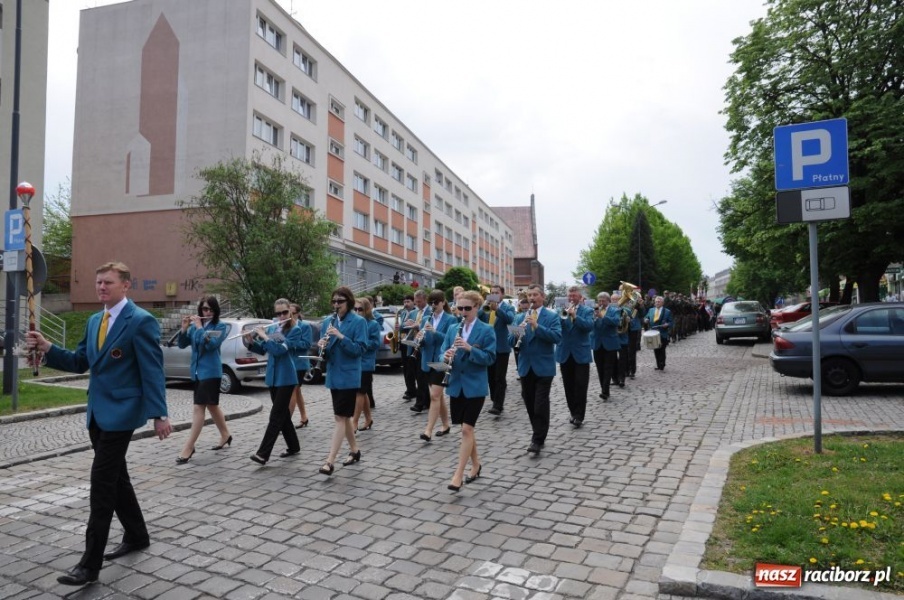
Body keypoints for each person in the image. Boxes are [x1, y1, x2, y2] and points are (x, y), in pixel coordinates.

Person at [25, 261, 172, 587]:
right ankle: (137, 535)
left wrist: (159, 414)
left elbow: (152, 370)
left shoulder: (141, 321)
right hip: (96, 414)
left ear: (125, 285)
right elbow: (80, 362)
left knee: (101, 486)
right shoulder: (94, 321)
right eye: (98, 283)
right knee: (117, 478)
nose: (101, 287)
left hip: (122, 414)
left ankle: (89, 566)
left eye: (108, 282)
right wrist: (48, 348)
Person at [440, 291, 496, 491]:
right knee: (466, 429)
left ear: (477, 308)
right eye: (459, 308)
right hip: (456, 384)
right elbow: (442, 351)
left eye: (467, 308)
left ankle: (458, 475)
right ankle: (476, 464)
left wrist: (470, 348)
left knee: (466, 429)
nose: (462, 312)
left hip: (475, 386)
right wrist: (445, 356)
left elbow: (490, 358)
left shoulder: (486, 330)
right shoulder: (453, 328)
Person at [175, 296, 231, 463]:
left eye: (211, 310)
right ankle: (225, 434)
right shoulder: (194, 327)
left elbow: (211, 345)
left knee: (199, 407)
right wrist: (184, 329)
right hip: (198, 372)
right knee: (212, 406)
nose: (207, 312)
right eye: (204, 309)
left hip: (211, 372)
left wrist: (199, 328)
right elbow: (182, 344)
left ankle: (189, 446)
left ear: (215, 312)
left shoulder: (220, 326)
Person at [318, 286, 367, 476]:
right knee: (343, 416)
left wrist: (340, 336)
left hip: (349, 376)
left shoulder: (358, 322)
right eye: (334, 301)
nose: (336, 305)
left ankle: (330, 461)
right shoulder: (327, 323)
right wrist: (323, 346)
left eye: (340, 301)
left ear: (349, 302)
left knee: (339, 417)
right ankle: (355, 451)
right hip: (334, 375)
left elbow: (359, 350)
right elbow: (327, 354)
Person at [247, 299, 302, 465]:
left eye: (284, 313)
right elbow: (264, 349)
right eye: (278, 313)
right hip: (273, 376)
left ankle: (263, 454)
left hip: (286, 377)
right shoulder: (272, 328)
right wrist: (252, 342)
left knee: (276, 415)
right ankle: (294, 446)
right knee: (283, 414)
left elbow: (279, 351)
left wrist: (265, 336)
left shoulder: (295, 330)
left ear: (290, 312)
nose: (281, 316)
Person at [514, 284, 562, 455]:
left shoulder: (552, 316)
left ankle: (537, 439)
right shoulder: (520, 316)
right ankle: (538, 430)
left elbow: (556, 337)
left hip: (543, 366)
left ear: (542, 296)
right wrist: (516, 333)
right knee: (529, 402)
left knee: (540, 404)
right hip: (526, 365)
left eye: (535, 295)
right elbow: (508, 341)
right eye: (529, 295)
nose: (532, 298)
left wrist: (536, 326)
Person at [418, 289, 457, 441]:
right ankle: (446, 424)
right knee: (438, 396)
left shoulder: (450, 319)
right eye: (431, 302)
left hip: (441, 360)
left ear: (443, 302)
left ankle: (428, 430)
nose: (433, 305)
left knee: (434, 395)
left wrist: (434, 331)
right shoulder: (426, 318)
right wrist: (419, 340)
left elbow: (449, 340)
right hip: (427, 360)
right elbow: (424, 341)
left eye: (436, 302)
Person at [555, 285, 594, 428]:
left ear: (580, 297)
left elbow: (589, 327)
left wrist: (575, 316)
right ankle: (573, 412)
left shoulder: (587, 311)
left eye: (574, 296)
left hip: (581, 353)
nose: (571, 299)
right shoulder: (560, 311)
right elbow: (557, 327)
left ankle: (579, 415)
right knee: (568, 385)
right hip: (565, 352)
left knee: (581, 385)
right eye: (569, 296)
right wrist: (563, 315)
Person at [480, 285, 514, 416]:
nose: (493, 294)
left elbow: (510, 320)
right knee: (490, 377)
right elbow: (477, 318)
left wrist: (498, 309)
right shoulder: (486, 307)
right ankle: (495, 399)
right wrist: (483, 306)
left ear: (502, 295)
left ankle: (498, 405)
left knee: (500, 377)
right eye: (492, 293)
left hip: (501, 347)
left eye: (496, 293)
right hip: (487, 347)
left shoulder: (508, 307)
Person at [352, 297, 380, 432]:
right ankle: (368, 419)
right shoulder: (353, 322)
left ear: (367, 309)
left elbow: (375, 344)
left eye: (360, 309)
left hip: (366, 362)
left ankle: (354, 421)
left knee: (360, 392)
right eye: (355, 309)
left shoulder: (372, 324)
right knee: (363, 393)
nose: (357, 312)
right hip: (354, 361)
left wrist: (360, 343)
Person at [592, 292, 621, 401]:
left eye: (603, 300)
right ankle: (603, 389)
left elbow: (616, 322)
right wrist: (594, 318)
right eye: (599, 300)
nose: (601, 303)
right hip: (597, 343)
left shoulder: (615, 310)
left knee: (608, 368)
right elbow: (590, 325)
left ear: (608, 301)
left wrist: (602, 316)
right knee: (600, 369)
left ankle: (605, 391)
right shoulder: (594, 311)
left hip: (610, 344)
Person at [287, 303, 311, 429]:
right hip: (288, 362)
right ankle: (304, 417)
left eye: (292, 313)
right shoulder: (286, 326)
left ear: (297, 314)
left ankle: (286, 423)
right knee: (297, 391)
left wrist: (291, 343)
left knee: (293, 390)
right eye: (288, 313)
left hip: (299, 363)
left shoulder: (305, 326)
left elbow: (307, 344)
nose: (289, 315)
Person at [409, 290, 432, 413]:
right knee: (418, 376)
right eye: (415, 301)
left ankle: (420, 403)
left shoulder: (430, 312)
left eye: (419, 301)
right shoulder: (414, 312)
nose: (417, 303)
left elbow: (428, 328)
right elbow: (404, 326)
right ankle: (426, 401)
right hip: (414, 345)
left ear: (425, 300)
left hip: (424, 347)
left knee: (422, 376)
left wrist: (418, 326)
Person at [398, 294, 419, 401]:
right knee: (406, 368)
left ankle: (412, 390)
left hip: (411, 342)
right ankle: (409, 389)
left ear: (413, 302)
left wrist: (401, 326)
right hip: (403, 342)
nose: (406, 304)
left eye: (408, 302)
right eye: (405, 302)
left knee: (412, 368)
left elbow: (407, 326)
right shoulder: (403, 313)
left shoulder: (415, 313)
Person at [645, 295, 673, 370]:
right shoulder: (651, 310)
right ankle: (658, 364)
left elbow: (671, 322)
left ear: (662, 303)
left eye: (659, 302)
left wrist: (667, 324)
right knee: (655, 349)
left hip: (662, 333)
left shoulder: (667, 311)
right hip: (653, 333)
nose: (657, 303)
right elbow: (646, 317)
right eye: (656, 301)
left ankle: (662, 364)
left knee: (662, 349)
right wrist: (646, 320)